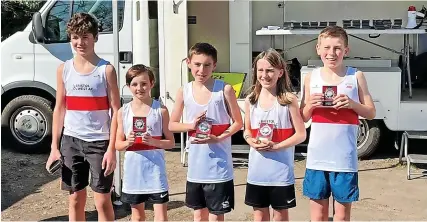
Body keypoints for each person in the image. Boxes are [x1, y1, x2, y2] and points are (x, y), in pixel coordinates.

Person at [45, 13, 120, 221]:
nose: (80, 42)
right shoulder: (64, 69)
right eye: (75, 37)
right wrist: (54, 148)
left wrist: (112, 149)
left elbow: (116, 111)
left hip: (99, 142)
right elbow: (59, 109)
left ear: (95, 37)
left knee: (102, 200)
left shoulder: (106, 70)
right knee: (75, 198)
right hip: (71, 142)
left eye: (85, 36)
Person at [300, 26, 376, 221]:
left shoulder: (355, 76)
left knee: (342, 217)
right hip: (317, 158)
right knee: (318, 217)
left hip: (344, 159)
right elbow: (303, 117)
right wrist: (310, 105)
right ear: (317, 49)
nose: (331, 53)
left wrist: (352, 104)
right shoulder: (311, 77)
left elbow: (371, 112)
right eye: (326, 48)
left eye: (337, 48)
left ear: (346, 50)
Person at [169, 42, 243, 221]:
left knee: (216, 217)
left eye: (207, 65)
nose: (201, 70)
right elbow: (172, 125)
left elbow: (238, 123)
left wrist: (219, 138)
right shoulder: (184, 91)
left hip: (219, 168)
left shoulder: (224, 90)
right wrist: (191, 126)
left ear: (214, 65)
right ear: (189, 63)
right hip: (196, 167)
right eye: (197, 64)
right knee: (198, 215)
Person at [243, 48, 306, 221]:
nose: (265, 75)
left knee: (280, 216)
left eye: (270, 70)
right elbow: (247, 130)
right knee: (259, 215)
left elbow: (301, 135)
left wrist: (277, 146)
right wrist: (251, 141)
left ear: (280, 72)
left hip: (281, 173)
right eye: (261, 70)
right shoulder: (250, 100)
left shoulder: (289, 99)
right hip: (257, 172)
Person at [115, 64, 175, 221]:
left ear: (152, 84)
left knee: (161, 217)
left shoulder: (160, 110)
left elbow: (170, 142)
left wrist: (154, 141)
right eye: (134, 84)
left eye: (143, 84)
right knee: (137, 216)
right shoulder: (123, 112)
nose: (139, 88)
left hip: (155, 172)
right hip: (133, 173)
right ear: (128, 86)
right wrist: (128, 142)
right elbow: (117, 144)